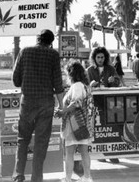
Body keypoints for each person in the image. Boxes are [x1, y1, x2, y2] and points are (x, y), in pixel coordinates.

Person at [12, 29, 65, 182]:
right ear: (51, 42)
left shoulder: (24, 51)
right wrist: (61, 105)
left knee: (22, 139)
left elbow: (15, 80)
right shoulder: (53, 55)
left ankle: (18, 175)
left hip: (27, 101)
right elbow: (58, 83)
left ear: (37, 39)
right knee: (41, 143)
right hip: (46, 103)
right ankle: (37, 178)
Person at [58, 61, 94, 182]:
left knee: (69, 153)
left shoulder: (76, 86)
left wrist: (63, 111)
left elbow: (76, 102)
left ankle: (68, 178)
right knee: (84, 151)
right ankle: (87, 176)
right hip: (82, 122)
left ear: (70, 74)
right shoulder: (83, 85)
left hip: (73, 123)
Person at [86, 47, 120, 163]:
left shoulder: (110, 68)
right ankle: (101, 154)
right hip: (95, 103)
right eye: (98, 57)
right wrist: (91, 84)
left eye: (102, 57)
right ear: (94, 58)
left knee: (112, 128)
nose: (100, 59)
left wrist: (113, 81)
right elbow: (85, 86)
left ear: (105, 58)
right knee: (99, 129)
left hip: (109, 102)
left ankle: (113, 154)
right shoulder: (89, 70)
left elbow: (117, 82)